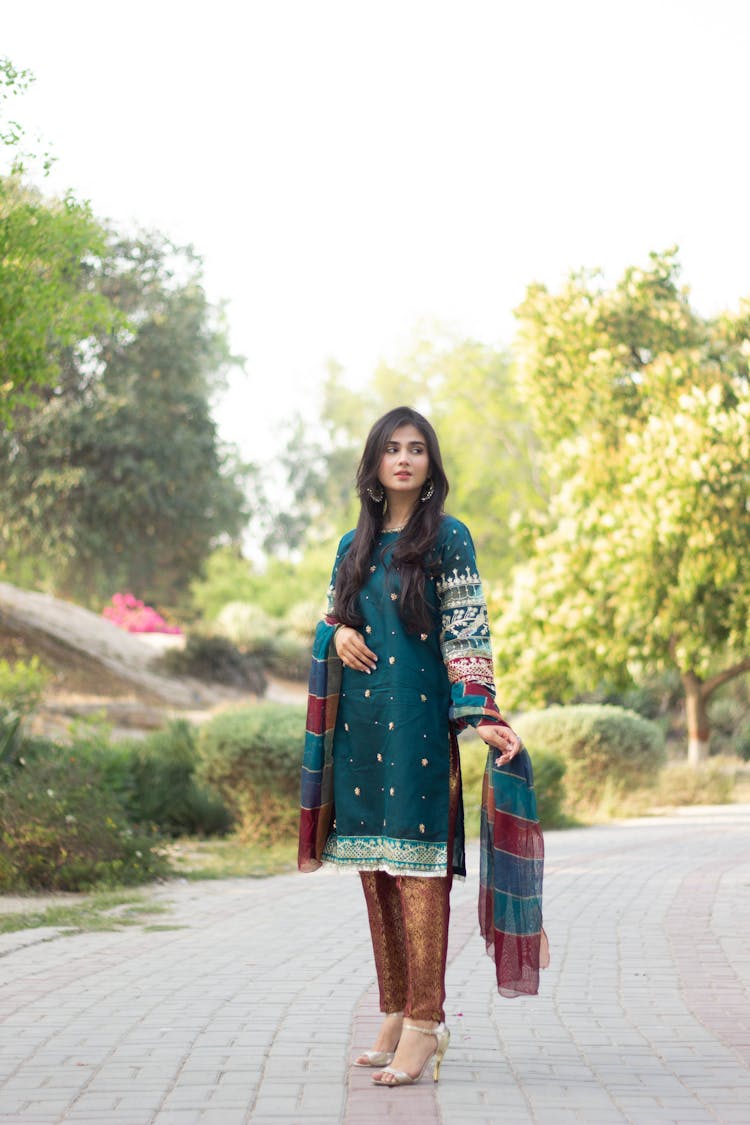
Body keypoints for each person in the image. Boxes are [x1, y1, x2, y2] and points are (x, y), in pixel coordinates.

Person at [299, 406, 546, 1088]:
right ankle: (393, 1008)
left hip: (416, 732)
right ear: (375, 465)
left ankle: (426, 1022)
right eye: (391, 449)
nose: (404, 459)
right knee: (375, 871)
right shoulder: (352, 545)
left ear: (430, 464)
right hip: (358, 734)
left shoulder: (449, 538)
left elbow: (466, 633)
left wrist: (484, 712)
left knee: (417, 870)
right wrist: (335, 639)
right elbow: (329, 623)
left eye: (416, 449)